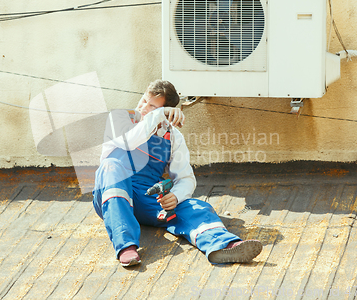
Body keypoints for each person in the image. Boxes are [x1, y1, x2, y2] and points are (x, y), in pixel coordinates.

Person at [92, 80, 262, 267]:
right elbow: (131, 141)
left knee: (197, 207)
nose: (143, 108)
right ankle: (126, 246)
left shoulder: (173, 136)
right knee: (110, 166)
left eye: (153, 106)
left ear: (167, 112)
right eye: (144, 101)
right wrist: (156, 114)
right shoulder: (120, 119)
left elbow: (186, 178)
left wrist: (175, 196)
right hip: (113, 194)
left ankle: (223, 244)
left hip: (147, 198)